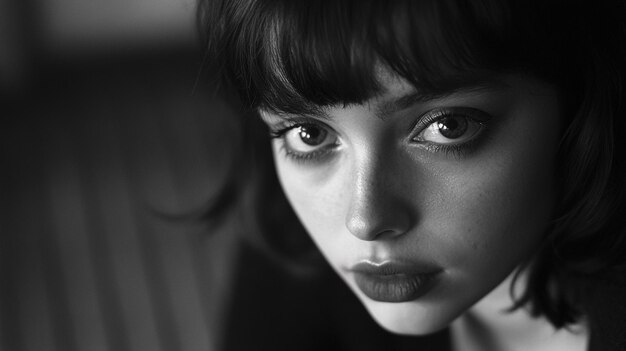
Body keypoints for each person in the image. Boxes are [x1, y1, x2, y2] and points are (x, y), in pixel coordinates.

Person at [198, 0, 626, 350]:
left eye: (448, 127)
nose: (364, 222)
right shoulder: (288, 231)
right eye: (310, 134)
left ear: (579, 104)